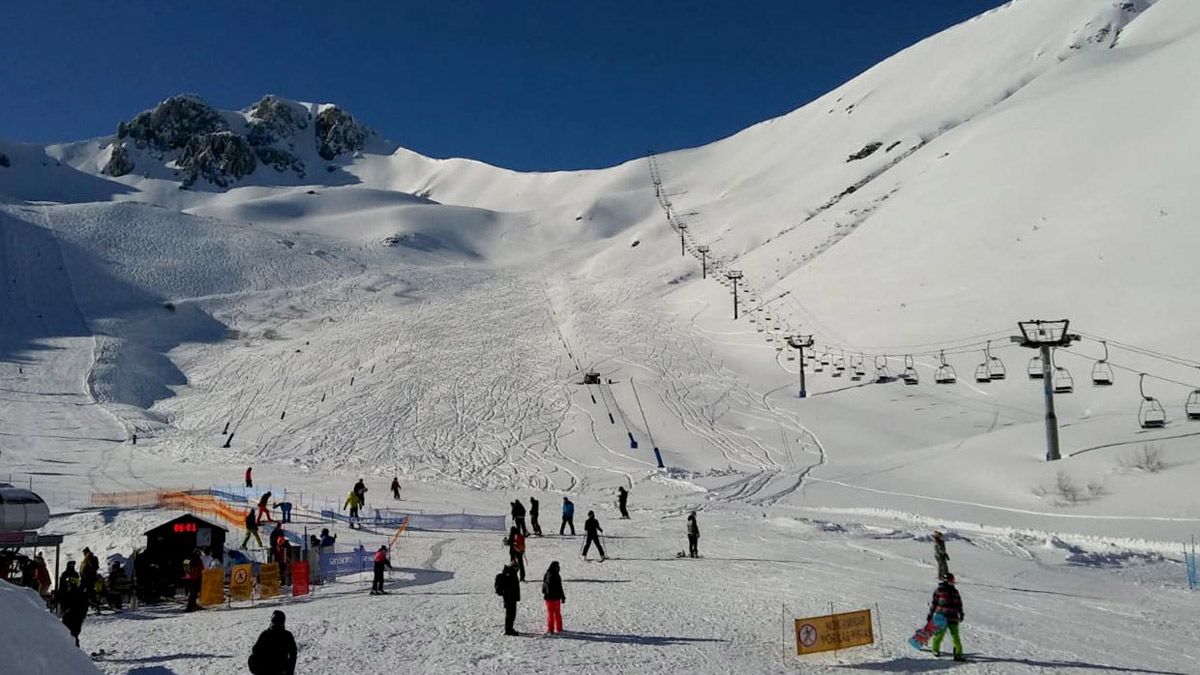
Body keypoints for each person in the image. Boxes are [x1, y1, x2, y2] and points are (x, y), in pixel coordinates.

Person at [927, 573, 965, 661]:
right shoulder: (939, 590)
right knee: (939, 635)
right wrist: (930, 614)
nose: (953, 582)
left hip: (953, 617)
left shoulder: (955, 591)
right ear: (946, 581)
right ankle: (935, 650)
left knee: (955, 636)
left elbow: (959, 604)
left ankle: (958, 654)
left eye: (953, 580)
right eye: (951, 580)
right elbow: (934, 603)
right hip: (941, 617)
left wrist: (961, 613)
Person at [249, 610, 298, 675]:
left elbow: (255, 652)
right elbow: (293, 655)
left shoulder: (265, 634)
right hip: (279, 670)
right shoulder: (287, 635)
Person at [59, 576, 88, 647]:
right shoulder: (81, 593)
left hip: (70, 617)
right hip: (78, 617)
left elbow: (64, 603)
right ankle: (75, 650)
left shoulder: (69, 593)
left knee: (69, 634)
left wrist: (64, 610)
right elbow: (85, 605)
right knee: (74, 634)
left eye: (68, 584)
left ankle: (72, 651)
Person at [496, 561, 521, 635]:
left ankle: (510, 628)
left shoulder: (511, 573)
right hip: (509, 597)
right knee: (510, 614)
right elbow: (510, 586)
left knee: (512, 614)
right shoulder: (509, 574)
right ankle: (508, 630)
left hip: (511, 597)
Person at [541, 560, 565, 634]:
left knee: (550, 613)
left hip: (548, 598)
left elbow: (544, 585)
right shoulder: (556, 575)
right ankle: (559, 627)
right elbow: (559, 587)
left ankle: (550, 628)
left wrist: (544, 592)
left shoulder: (547, 574)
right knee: (557, 613)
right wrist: (562, 596)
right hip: (556, 598)